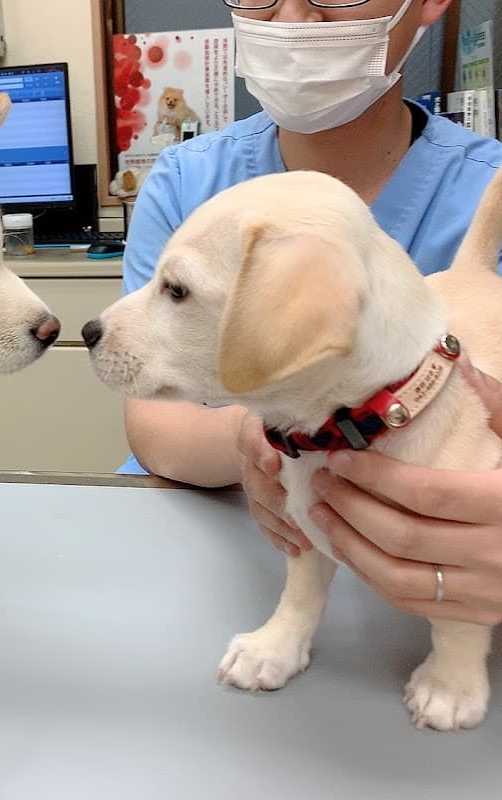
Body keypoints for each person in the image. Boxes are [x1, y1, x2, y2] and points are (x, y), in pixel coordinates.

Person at [119, 0, 502, 625]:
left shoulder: (486, 193)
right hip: (212, 556)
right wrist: (258, 439)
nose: (291, 19)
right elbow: (154, 427)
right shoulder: (190, 179)